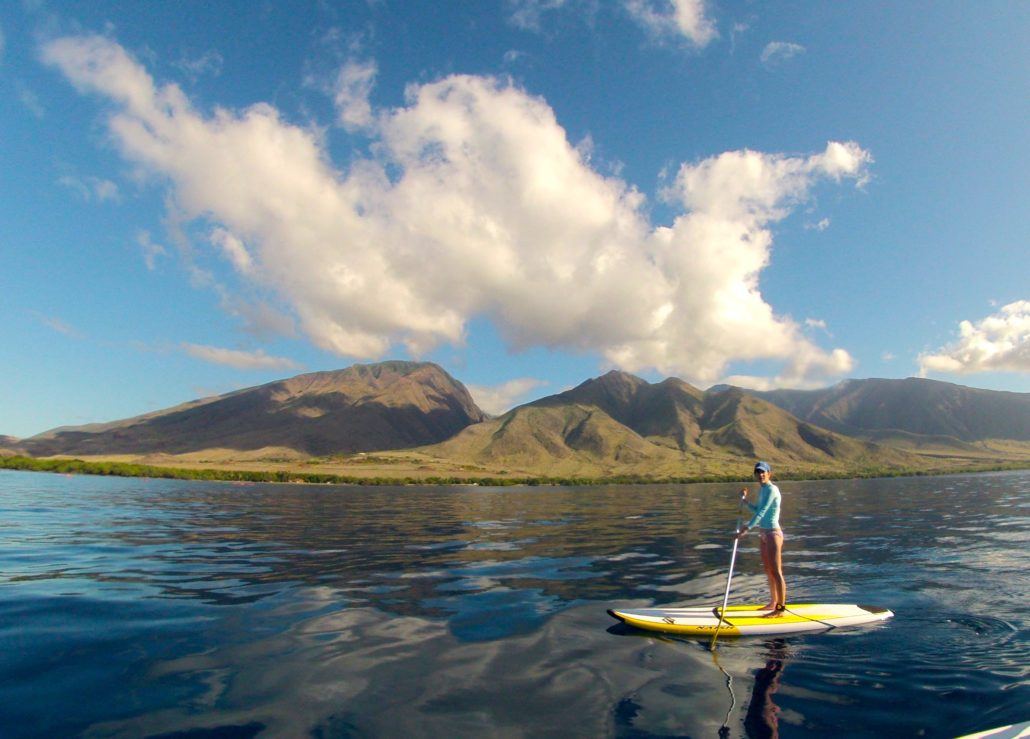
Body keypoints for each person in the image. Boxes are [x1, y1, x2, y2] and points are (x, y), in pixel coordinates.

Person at [735, 461, 786, 616]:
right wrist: (745, 502)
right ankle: (773, 602)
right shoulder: (762, 490)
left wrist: (747, 528)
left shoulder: (772, 489)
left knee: (776, 571)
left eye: (763, 472)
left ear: (769, 473)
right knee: (768, 569)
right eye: (758, 472)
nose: (761, 475)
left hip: (773, 534)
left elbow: (762, 512)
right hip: (763, 534)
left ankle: (780, 609)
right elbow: (757, 509)